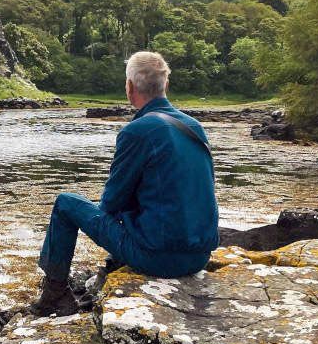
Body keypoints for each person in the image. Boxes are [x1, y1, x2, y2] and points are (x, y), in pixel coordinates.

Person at [28, 51, 219, 316]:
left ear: (129, 88)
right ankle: (114, 263)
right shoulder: (194, 126)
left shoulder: (137, 131)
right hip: (199, 256)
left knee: (66, 204)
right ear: (166, 85)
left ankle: (55, 294)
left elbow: (111, 203)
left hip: (159, 259)